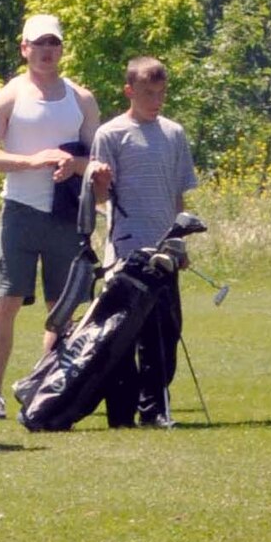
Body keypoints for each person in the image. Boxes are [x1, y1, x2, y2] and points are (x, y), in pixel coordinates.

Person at [0, 13, 105, 421]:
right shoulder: (9, 97)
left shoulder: (81, 98)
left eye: (53, 44)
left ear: (61, 49)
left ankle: (46, 385)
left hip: (67, 212)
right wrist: (31, 161)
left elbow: (97, 158)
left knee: (64, 307)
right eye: (38, 44)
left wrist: (73, 165)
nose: (46, 51)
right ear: (24, 48)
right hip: (21, 212)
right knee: (6, 300)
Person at [89, 56, 199, 429]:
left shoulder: (174, 134)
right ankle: (121, 411)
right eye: (148, 93)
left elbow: (178, 197)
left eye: (161, 93)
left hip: (165, 249)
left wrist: (180, 243)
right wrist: (99, 181)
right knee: (122, 332)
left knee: (165, 332)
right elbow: (100, 198)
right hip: (125, 250)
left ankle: (154, 408)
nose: (156, 100)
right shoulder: (111, 134)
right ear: (129, 91)